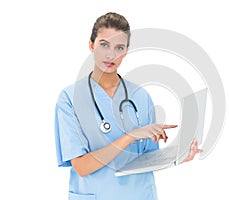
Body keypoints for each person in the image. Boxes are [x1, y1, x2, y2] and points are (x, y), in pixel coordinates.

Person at [54, 12, 201, 200]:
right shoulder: (70, 98)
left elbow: (148, 160)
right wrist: (130, 136)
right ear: (91, 45)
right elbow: (82, 167)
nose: (110, 54)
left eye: (119, 47)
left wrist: (178, 157)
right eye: (104, 44)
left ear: (125, 52)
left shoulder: (140, 96)